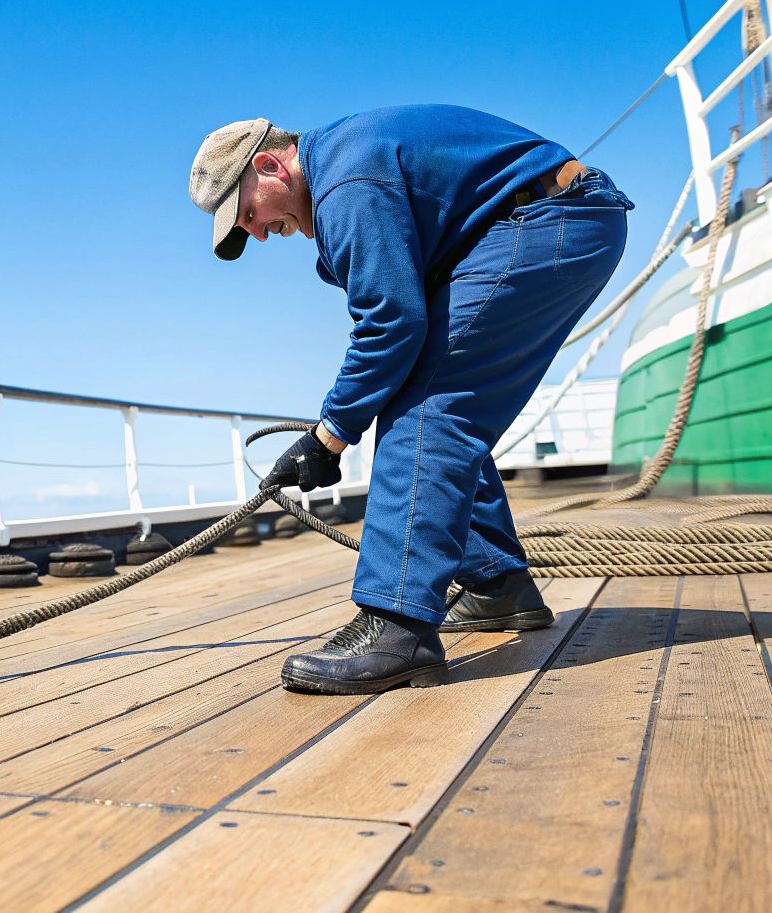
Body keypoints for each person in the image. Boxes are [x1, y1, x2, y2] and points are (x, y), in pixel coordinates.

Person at [188, 105, 631, 694]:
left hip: (544, 220)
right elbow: (398, 326)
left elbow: (391, 324)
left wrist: (328, 437)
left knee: (427, 412)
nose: (261, 232)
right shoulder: (348, 166)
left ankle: (397, 625)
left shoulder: (346, 182)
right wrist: (340, 421)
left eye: (249, 213)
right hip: (551, 218)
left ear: (271, 165)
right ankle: (497, 585)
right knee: (430, 399)